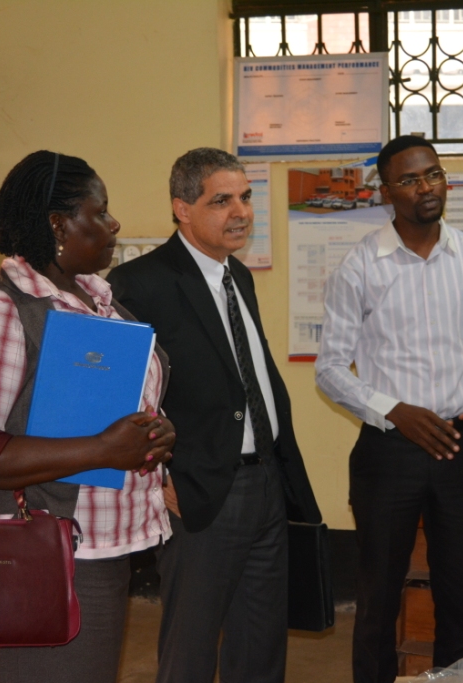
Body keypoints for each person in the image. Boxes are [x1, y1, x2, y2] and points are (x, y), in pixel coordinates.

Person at [0, 150, 175, 683]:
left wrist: (153, 432)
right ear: (58, 223)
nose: (115, 224)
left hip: (96, 550)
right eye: (101, 211)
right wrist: (103, 450)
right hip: (30, 558)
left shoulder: (93, 301)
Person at [107, 147, 322, 683]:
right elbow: (119, 399)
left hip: (266, 481)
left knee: (261, 645)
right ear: (182, 208)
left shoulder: (237, 277)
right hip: (201, 490)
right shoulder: (140, 284)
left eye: (246, 198)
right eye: (221, 200)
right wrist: (154, 479)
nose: (241, 212)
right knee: (191, 649)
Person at [315, 135, 463, 683]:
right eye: (410, 179)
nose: (426, 186)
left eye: (434, 174)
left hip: (461, 446)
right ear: (387, 193)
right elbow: (330, 368)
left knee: (460, 597)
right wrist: (395, 411)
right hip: (389, 452)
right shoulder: (360, 267)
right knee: (378, 599)